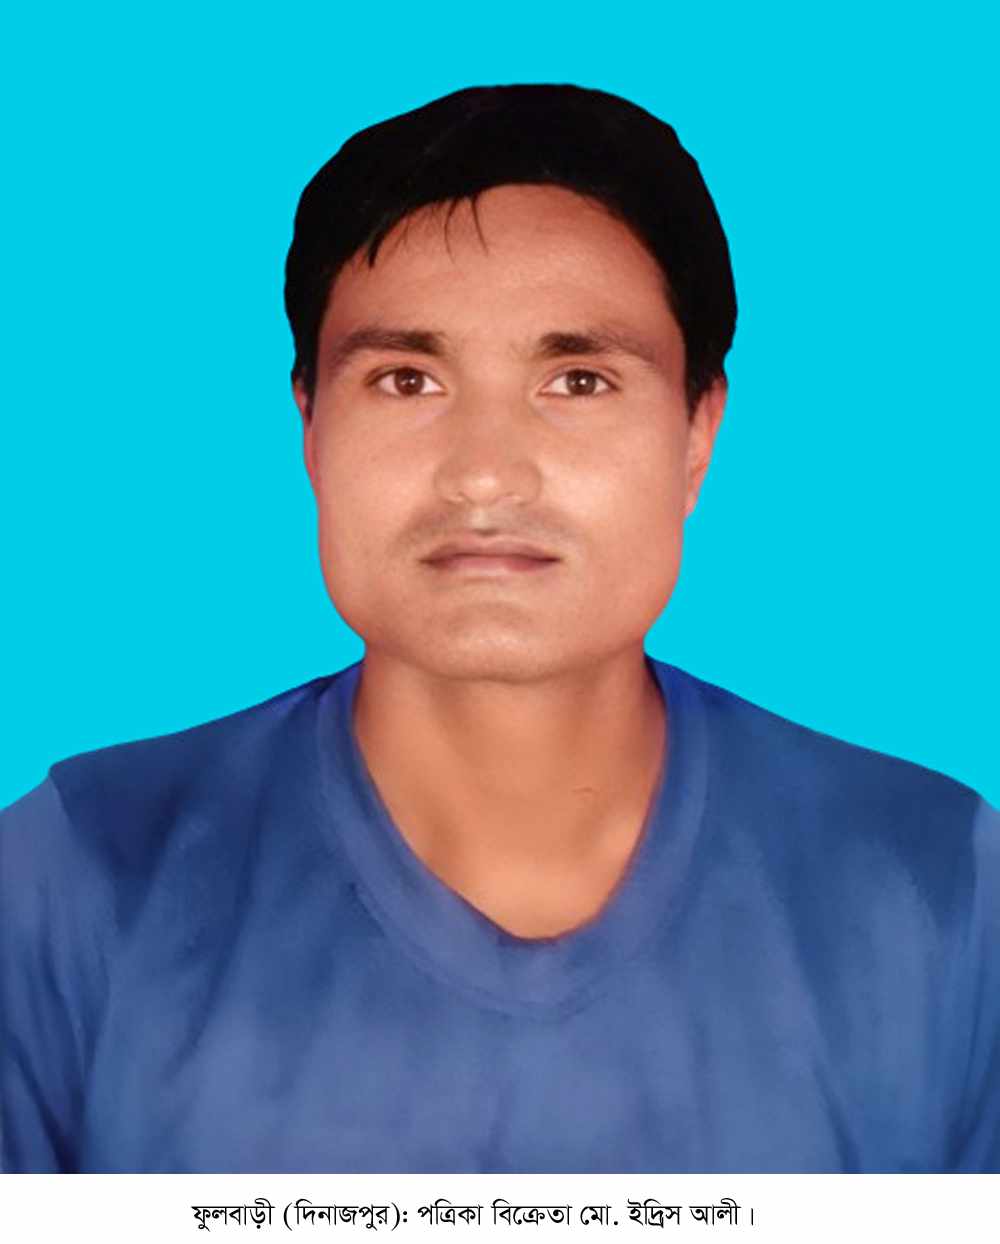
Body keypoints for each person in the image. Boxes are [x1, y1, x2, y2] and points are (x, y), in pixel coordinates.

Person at [1, 84, 997, 1175]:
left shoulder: (941, 891)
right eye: (406, 379)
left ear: (696, 432)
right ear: (310, 426)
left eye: (577, 380)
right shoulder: (74, 880)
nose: (483, 475)